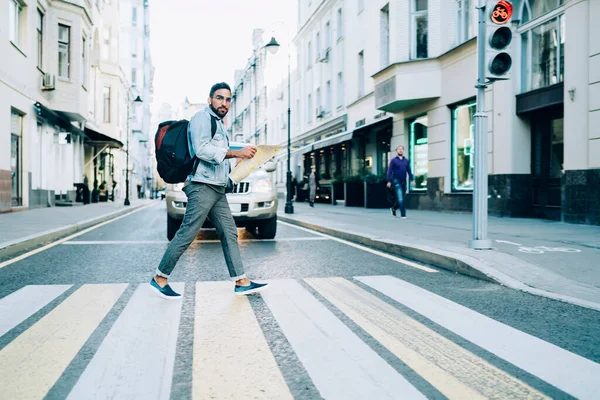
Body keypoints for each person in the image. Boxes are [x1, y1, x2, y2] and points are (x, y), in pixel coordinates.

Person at [150, 82, 268, 299]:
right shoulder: (202, 119)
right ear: (210, 99)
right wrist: (236, 153)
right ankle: (160, 277)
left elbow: (219, 156)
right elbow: (202, 150)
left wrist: (239, 164)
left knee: (229, 232)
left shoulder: (219, 124)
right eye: (219, 98)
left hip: (216, 187)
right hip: (202, 186)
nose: (224, 103)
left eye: (228, 99)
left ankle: (241, 281)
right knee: (188, 232)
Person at [386, 145, 414, 218]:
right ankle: (403, 214)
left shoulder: (406, 161)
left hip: (404, 181)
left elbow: (409, 171)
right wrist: (388, 181)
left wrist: (412, 179)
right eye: (399, 149)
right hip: (396, 180)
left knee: (402, 198)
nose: (400, 150)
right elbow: (389, 171)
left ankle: (393, 208)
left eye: (401, 149)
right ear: (396, 151)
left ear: (403, 150)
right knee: (400, 198)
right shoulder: (393, 160)